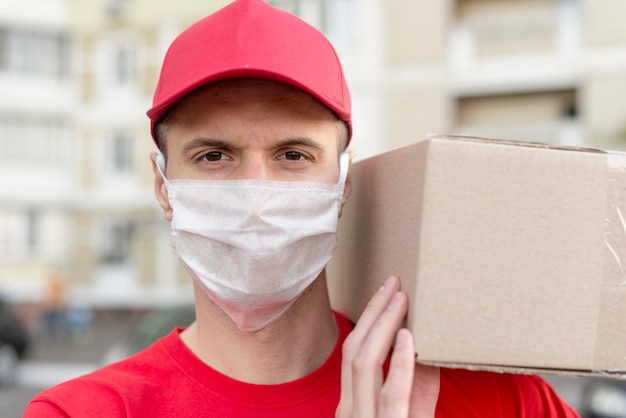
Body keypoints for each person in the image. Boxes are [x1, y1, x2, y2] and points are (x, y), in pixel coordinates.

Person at [24, 0, 579, 416]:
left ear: (342, 183)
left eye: (293, 154)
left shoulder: (500, 398)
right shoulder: (82, 413)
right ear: (164, 187)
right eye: (214, 155)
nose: (257, 195)